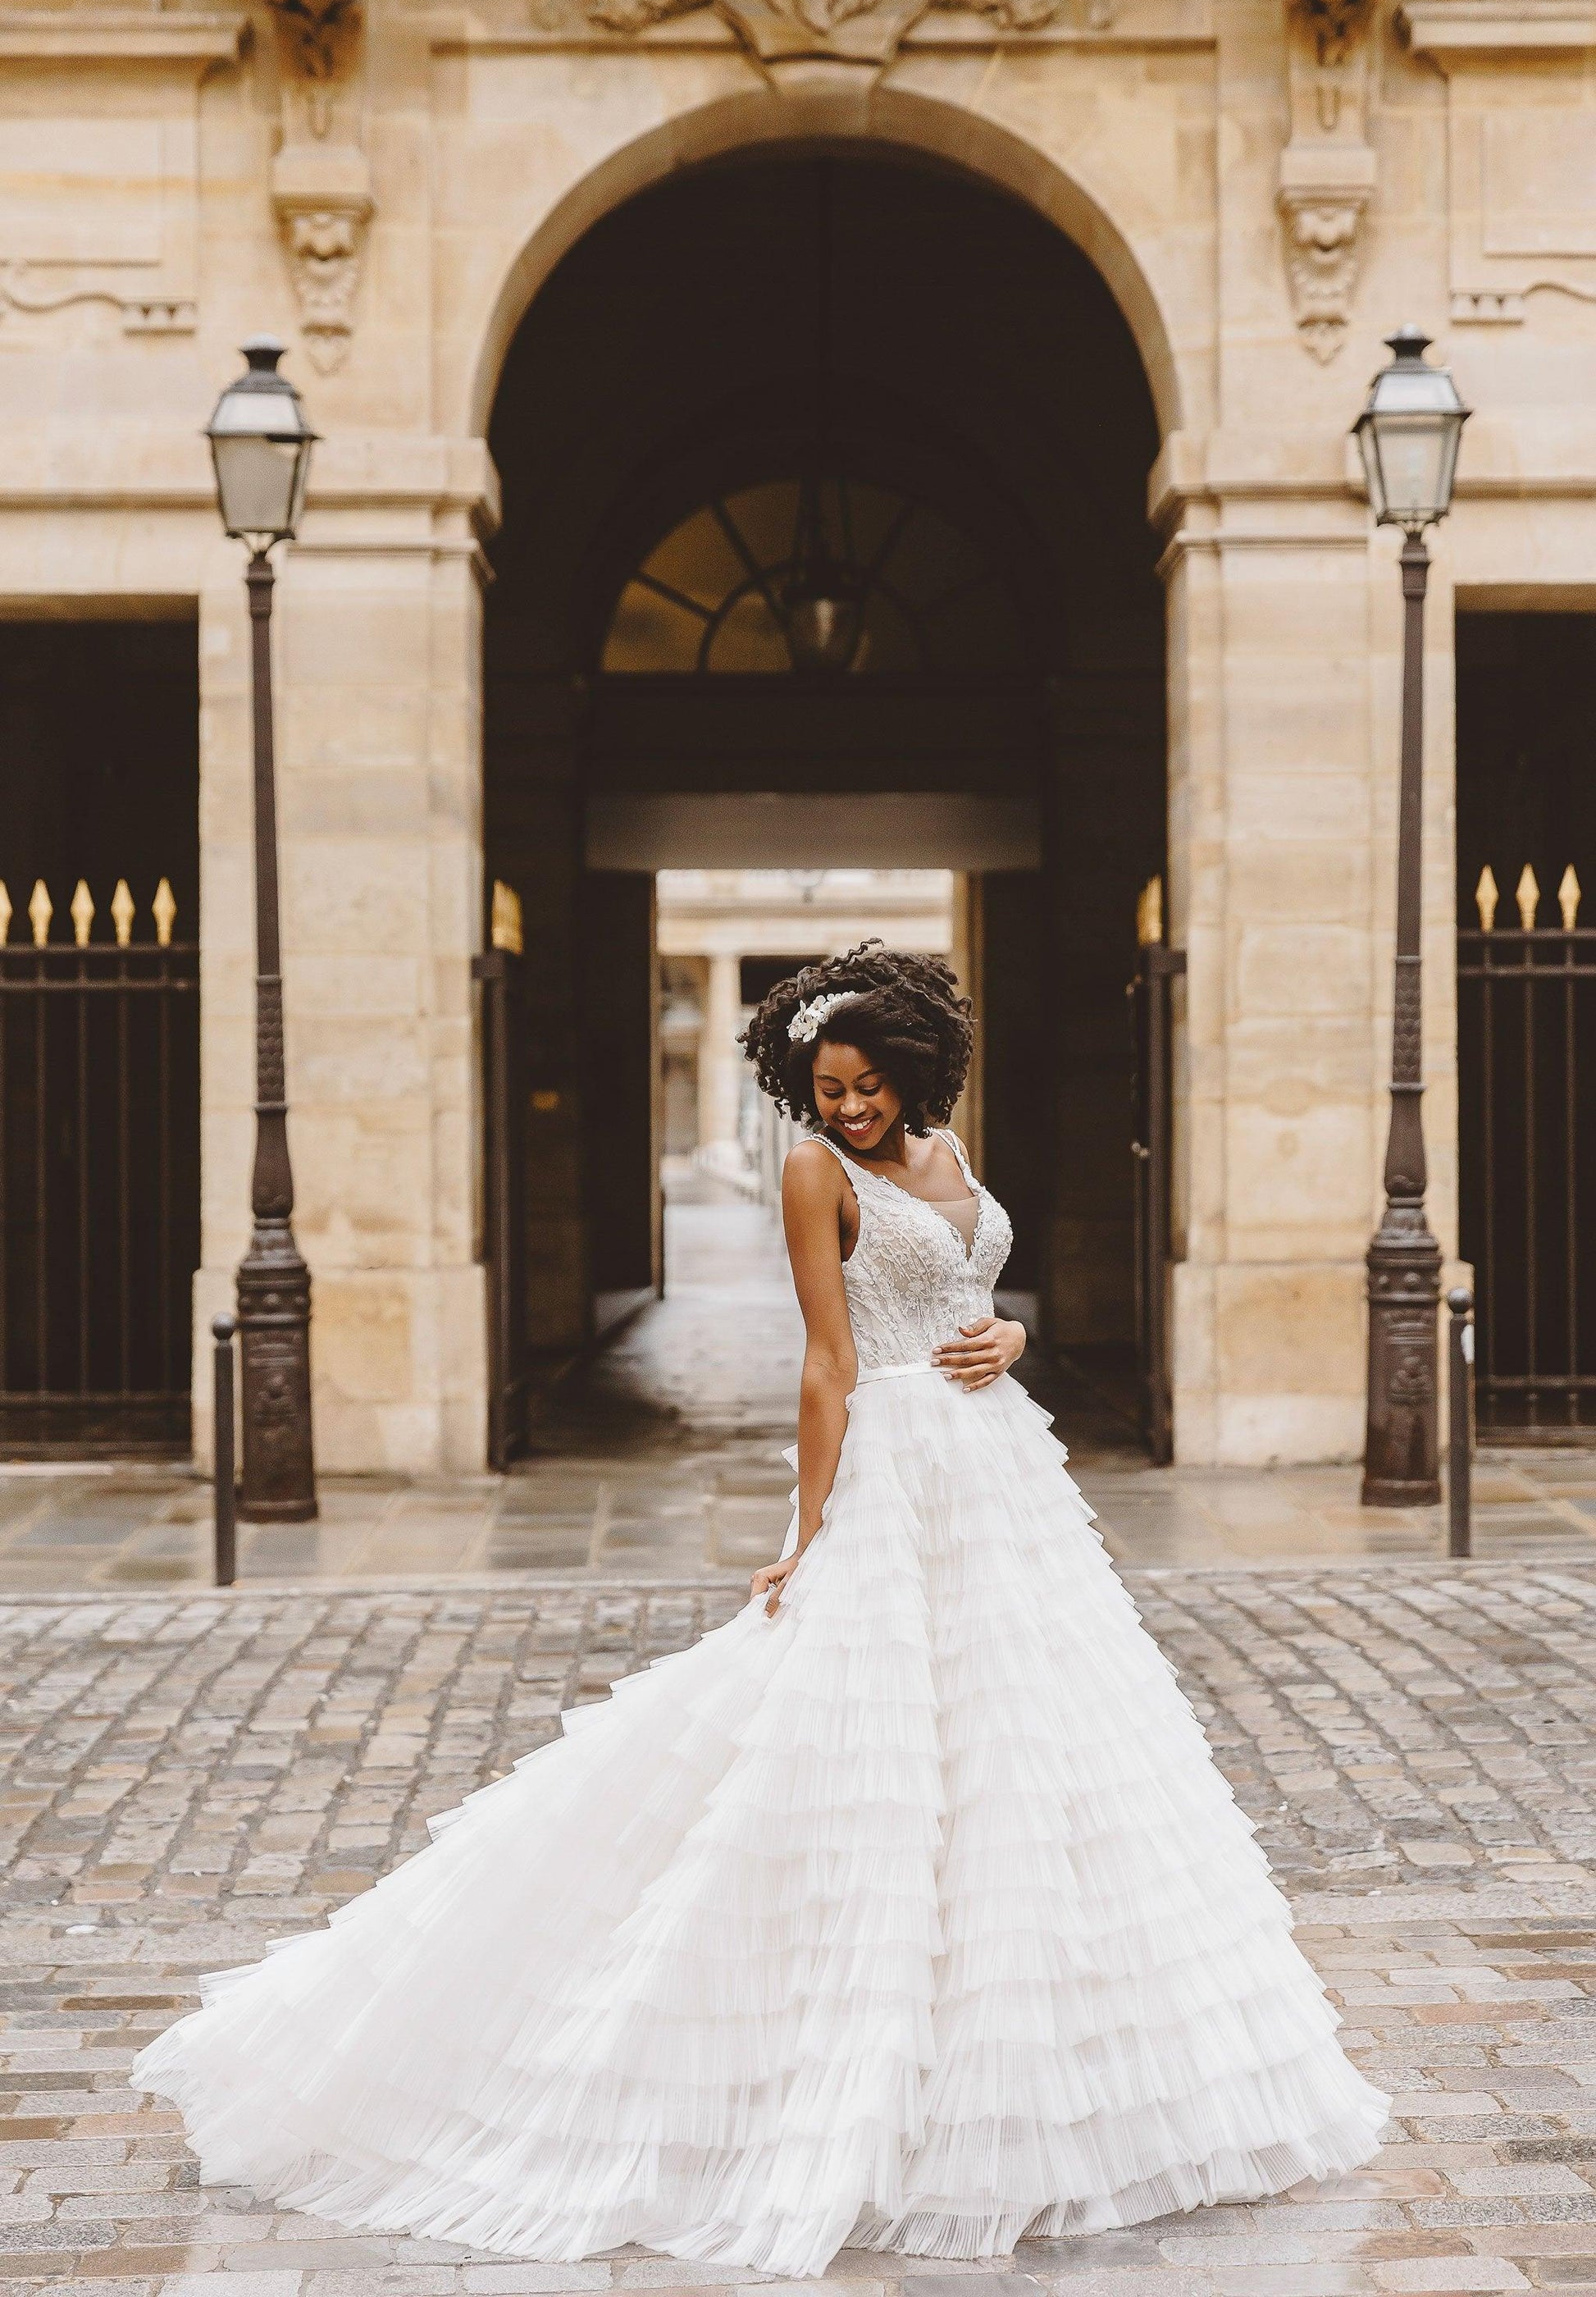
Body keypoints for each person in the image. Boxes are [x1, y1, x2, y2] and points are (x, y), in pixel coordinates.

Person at [132, 941, 1389, 2277]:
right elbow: (829, 1358)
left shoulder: (951, 1151)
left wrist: (1012, 1339)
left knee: (1036, 1751)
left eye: (862, 1088)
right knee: (858, 1752)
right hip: (897, 1473)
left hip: (1003, 1478)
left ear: (914, 1075)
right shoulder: (811, 1173)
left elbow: (971, 1290)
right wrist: (815, 1525)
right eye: (822, 1089)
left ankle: (1031, 2077)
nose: (843, 1109)